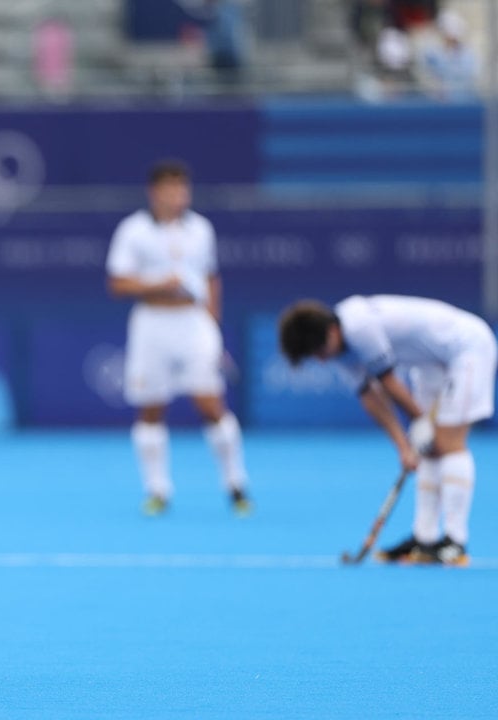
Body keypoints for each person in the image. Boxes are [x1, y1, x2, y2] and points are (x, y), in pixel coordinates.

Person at [278, 295, 496, 567]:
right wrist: (404, 446)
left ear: (331, 332)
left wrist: (419, 421)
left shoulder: (358, 326)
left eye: (320, 352)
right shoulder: (339, 347)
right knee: (428, 449)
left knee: (448, 442)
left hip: (466, 349)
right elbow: (371, 397)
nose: (322, 360)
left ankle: (455, 541)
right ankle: (425, 538)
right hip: (430, 362)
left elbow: (389, 383)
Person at [105, 159, 251, 517]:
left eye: (183, 188)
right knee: (151, 408)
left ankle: (235, 485)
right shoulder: (132, 231)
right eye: (170, 189)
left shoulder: (201, 229)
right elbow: (118, 283)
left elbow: (212, 278)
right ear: (154, 192)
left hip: (193, 323)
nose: (178, 196)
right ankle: (157, 490)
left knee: (210, 404)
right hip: (151, 324)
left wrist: (212, 324)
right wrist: (158, 283)